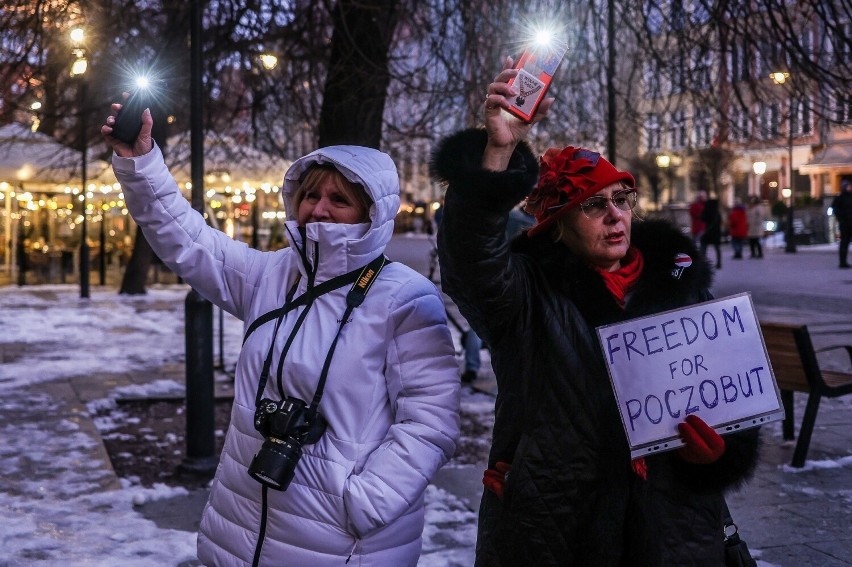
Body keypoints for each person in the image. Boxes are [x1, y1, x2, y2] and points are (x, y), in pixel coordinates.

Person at [432, 59, 760, 566]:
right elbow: (471, 258)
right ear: (558, 225)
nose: (615, 216)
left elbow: (726, 399)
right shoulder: (526, 295)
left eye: (622, 199)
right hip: (559, 526)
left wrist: (718, 453)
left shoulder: (676, 284)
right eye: (593, 205)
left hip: (672, 529)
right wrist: (499, 150)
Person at [102, 107, 460, 566]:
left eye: (339, 199)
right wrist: (141, 162)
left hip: (340, 545)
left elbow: (431, 423)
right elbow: (187, 239)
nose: (319, 209)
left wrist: (364, 503)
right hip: (239, 527)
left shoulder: (405, 299)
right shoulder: (274, 275)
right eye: (311, 195)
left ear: (373, 213)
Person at [831, 178, 852, 268]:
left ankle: (844, 262)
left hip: (849, 223)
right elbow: (834, 208)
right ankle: (842, 262)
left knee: (846, 242)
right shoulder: (840, 197)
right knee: (844, 242)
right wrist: (841, 217)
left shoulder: (850, 196)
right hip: (844, 223)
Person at [700, 195, 723, 269]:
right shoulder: (717, 212)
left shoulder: (707, 211)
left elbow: (702, 218)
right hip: (716, 233)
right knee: (717, 248)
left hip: (708, 232)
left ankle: (701, 261)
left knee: (703, 246)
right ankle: (719, 262)